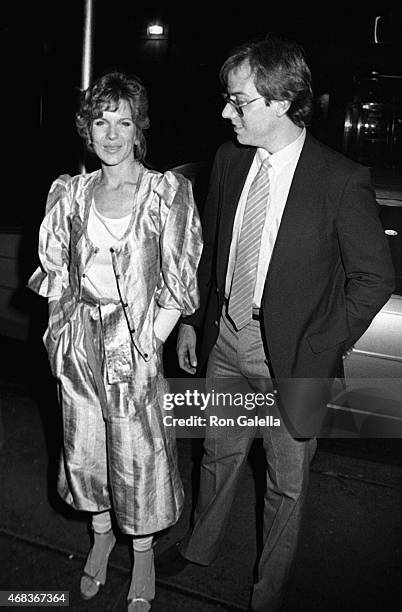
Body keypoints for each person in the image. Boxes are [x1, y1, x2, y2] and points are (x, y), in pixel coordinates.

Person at [158, 35, 395, 611]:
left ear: (281, 102)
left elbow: (373, 280)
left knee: (286, 483)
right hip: (227, 342)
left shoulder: (340, 179)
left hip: (295, 359)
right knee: (217, 454)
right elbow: (212, 251)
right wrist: (194, 320)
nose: (225, 111)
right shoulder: (229, 159)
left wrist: (319, 344)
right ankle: (200, 547)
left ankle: (268, 593)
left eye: (238, 101)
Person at [28, 71, 203, 611]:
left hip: (137, 342)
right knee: (85, 449)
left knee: (138, 456)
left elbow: (178, 280)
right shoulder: (70, 193)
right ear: (87, 128)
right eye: (101, 121)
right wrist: (61, 338)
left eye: (122, 122)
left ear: (138, 129)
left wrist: (150, 341)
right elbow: (56, 275)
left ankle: (144, 553)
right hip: (80, 339)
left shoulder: (164, 192)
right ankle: (102, 535)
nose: (111, 134)